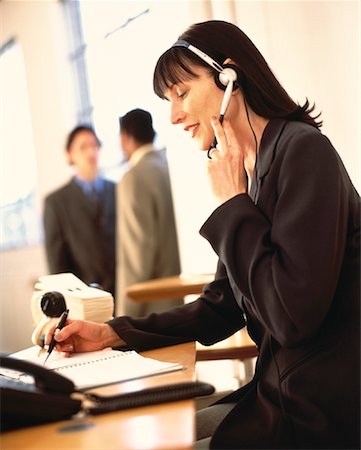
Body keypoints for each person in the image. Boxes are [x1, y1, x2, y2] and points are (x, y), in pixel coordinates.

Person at [46, 21, 360, 450]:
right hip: (275, 395)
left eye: (182, 93)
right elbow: (222, 304)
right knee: (145, 436)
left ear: (229, 75)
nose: (174, 116)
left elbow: (292, 318)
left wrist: (232, 204)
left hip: (317, 413)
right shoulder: (252, 171)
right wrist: (112, 333)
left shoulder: (303, 152)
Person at [115, 108, 182, 316]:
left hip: (151, 307)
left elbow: (138, 255)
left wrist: (124, 315)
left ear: (125, 137)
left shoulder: (133, 178)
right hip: (180, 296)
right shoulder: (168, 167)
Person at [43, 125, 116, 297]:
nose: (91, 152)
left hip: (122, 291)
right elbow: (57, 263)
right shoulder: (56, 202)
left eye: (95, 146)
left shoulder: (117, 190)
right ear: (70, 155)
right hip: (84, 297)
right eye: (83, 147)